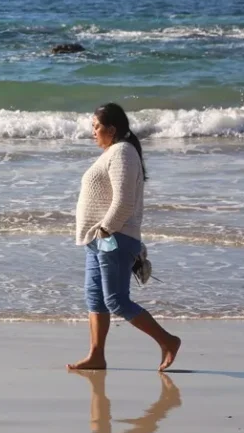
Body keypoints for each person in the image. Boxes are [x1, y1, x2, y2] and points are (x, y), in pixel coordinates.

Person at [68, 103, 181, 371]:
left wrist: (106, 229)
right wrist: (97, 234)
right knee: (95, 299)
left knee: (116, 301)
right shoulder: (112, 153)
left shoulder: (122, 152)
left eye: (96, 126)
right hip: (99, 239)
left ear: (112, 128)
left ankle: (168, 341)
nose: (93, 132)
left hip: (114, 237)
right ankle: (97, 355)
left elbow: (124, 201)